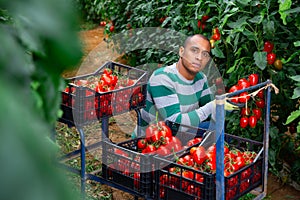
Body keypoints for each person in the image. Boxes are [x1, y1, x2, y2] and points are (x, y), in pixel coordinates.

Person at [133, 34, 235, 138]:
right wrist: (212, 107)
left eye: (205, 54)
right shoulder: (162, 78)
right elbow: (174, 124)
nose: (199, 58)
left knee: (216, 127)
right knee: (214, 129)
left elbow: (210, 110)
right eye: (194, 50)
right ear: (181, 51)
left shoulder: (200, 78)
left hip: (179, 136)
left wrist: (233, 102)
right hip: (152, 141)